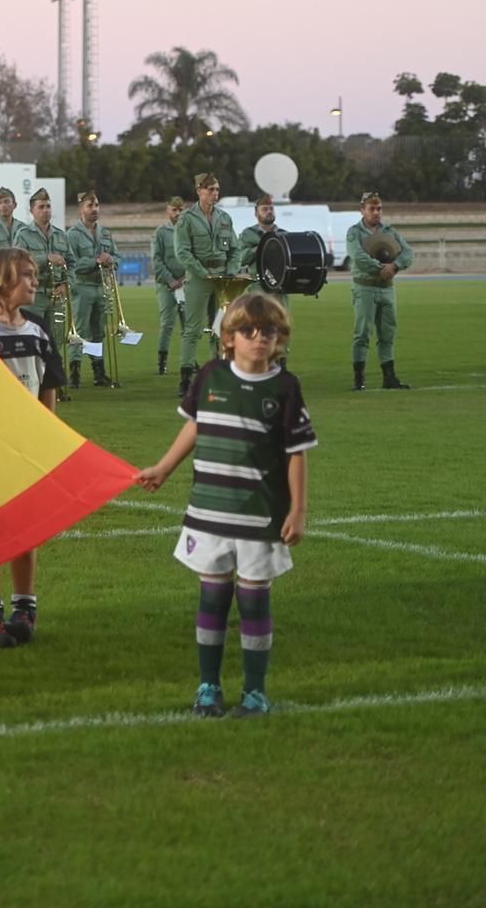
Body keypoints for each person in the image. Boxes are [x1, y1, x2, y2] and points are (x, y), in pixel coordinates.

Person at [135, 294, 316, 718]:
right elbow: (195, 426)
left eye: (268, 331)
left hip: (260, 515)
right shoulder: (211, 376)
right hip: (209, 513)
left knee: (254, 601)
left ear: (280, 339)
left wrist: (298, 511)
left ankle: (255, 692)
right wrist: (163, 468)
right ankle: (208, 687)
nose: (259, 338)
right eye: (248, 331)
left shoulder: (285, 388)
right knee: (213, 598)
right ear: (229, 338)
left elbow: (297, 453)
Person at [0, 248, 64, 647]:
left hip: (27, 445)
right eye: (25, 275)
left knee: (25, 528)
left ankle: (25, 607)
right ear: (1, 280)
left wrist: (47, 435)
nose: (34, 281)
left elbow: (49, 385)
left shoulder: (38, 328)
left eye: (35, 274)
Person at [173, 172, 240, 397]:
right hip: (199, 279)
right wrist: (202, 273)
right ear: (199, 191)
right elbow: (182, 252)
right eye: (210, 190)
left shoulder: (224, 218)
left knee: (220, 328)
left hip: (222, 278)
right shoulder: (187, 219)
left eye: (217, 190)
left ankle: (218, 373)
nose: (215, 194)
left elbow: (235, 249)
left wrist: (231, 272)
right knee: (192, 329)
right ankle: (186, 378)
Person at [346, 192, 415, 390]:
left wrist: (395, 266)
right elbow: (359, 257)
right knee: (362, 334)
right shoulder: (354, 232)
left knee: (388, 334)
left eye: (379, 208)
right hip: (365, 288)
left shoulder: (389, 231)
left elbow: (408, 252)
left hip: (387, 289)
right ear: (362, 210)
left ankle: (389, 378)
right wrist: (383, 269)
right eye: (372, 209)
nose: (376, 212)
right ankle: (359, 379)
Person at [13, 188, 70, 395]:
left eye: (48, 206)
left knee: (56, 341)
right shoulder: (23, 235)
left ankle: (54, 385)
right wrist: (45, 258)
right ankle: (32, 385)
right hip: (34, 296)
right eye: (41, 207)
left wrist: (66, 284)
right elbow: (17, 262)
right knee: (33, 341)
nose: (46, 210)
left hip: (56, 295)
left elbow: (71, 263)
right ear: (32, 211)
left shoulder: (61, 235)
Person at [63, 190, 121, 388]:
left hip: (101, 286)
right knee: (79, 330)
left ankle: (99, 371)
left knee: (98, 332)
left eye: (96, 205)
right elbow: (72, 263)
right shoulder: (72, 235)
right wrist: (95, 261)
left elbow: (117, 257)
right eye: (90, 205)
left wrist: (111, 260)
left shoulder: (105, 233)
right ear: (81, 208)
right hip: (82, 286)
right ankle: (75, 372)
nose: (94, 209)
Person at [152, 196, 188, 376]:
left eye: (181, 209)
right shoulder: (161, 232)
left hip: (186, 284)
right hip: (167, 286)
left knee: (188, 325)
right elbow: (156, 260)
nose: (178, 213)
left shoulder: (189, 231)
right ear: (168, 210)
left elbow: (193, 256)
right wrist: (171, 280)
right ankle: (162, 361)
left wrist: (186, 277)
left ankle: (189, 360)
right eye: (174, 210)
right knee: (167, 324)